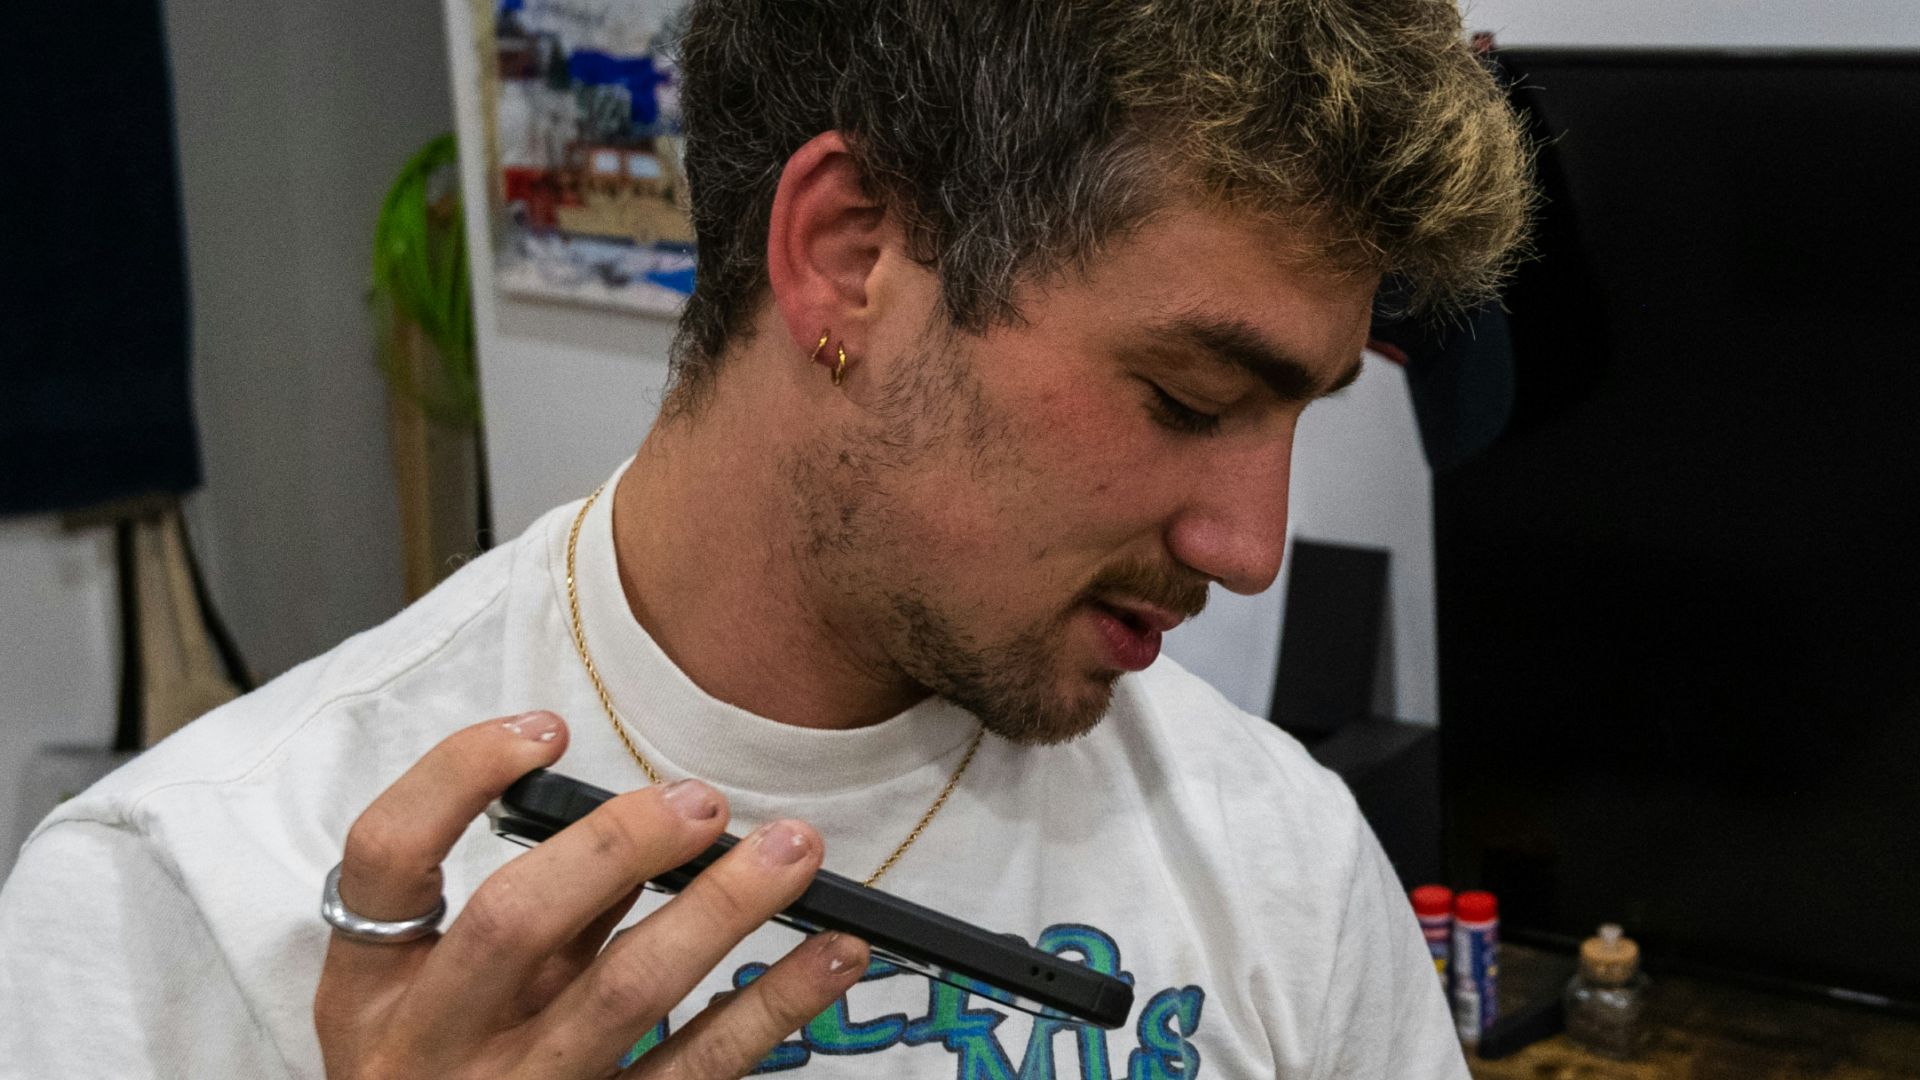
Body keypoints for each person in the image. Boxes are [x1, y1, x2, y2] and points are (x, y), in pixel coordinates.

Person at [0, 1, 1532, 1076]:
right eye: (1189, 397)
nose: (1253, 545)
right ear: (848, 259)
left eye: (1304, 414)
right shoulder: (173, 899)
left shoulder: (1277, 853)